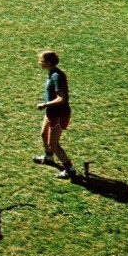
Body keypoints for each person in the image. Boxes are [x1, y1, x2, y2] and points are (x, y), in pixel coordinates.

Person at [34, 51, 77, 179]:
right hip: (51, 113)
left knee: (54, 144)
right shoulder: (52, 73)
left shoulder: (56, 76)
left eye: (41, 60)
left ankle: (69, 168)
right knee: (43, 134)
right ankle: (48, 157)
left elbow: (61, 98)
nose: (39, 63)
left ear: (48, 62)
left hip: (59, 114)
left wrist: (45, 104)